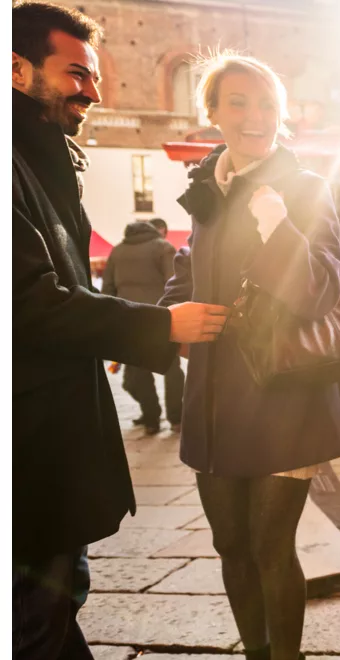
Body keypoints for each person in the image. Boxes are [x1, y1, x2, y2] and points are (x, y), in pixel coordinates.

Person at [12, 3, 230, 658]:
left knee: (51, 610)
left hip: (43, 447)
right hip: (27, 454)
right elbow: (30, 302)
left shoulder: (38, 155)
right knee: (39, 618)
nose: (95, 91)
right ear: (15, 69)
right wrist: (162, 326)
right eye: (77, 72)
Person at [160, 53, 340, 660]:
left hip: (283, 397)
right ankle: (256, 651)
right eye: (239, 103)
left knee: (271, 544)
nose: (256, 117)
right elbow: (185, 275)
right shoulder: (205, 187)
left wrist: (278, 228)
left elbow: (318, 291)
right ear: (214, 112)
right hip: (215, 400)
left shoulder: (304, 188)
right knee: (231, 545)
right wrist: (170, 324)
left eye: (268, 104)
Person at [102, 217, 185, 434]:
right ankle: (176, 418)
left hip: (130, 321)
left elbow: (107, 289)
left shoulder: (117, 251)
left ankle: (151, 420)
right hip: (161, 318)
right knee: (172, 369)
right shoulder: (163, 247)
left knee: (137, 373)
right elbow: (174, 283)